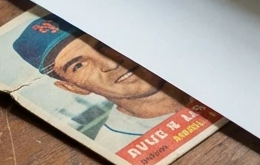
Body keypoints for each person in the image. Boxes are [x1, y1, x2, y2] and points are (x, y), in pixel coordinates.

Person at [13, 14, 188, 151]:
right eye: (79, 65)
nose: (110, 64)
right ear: (72, 87)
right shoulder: (118, 144)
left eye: (103, 45)